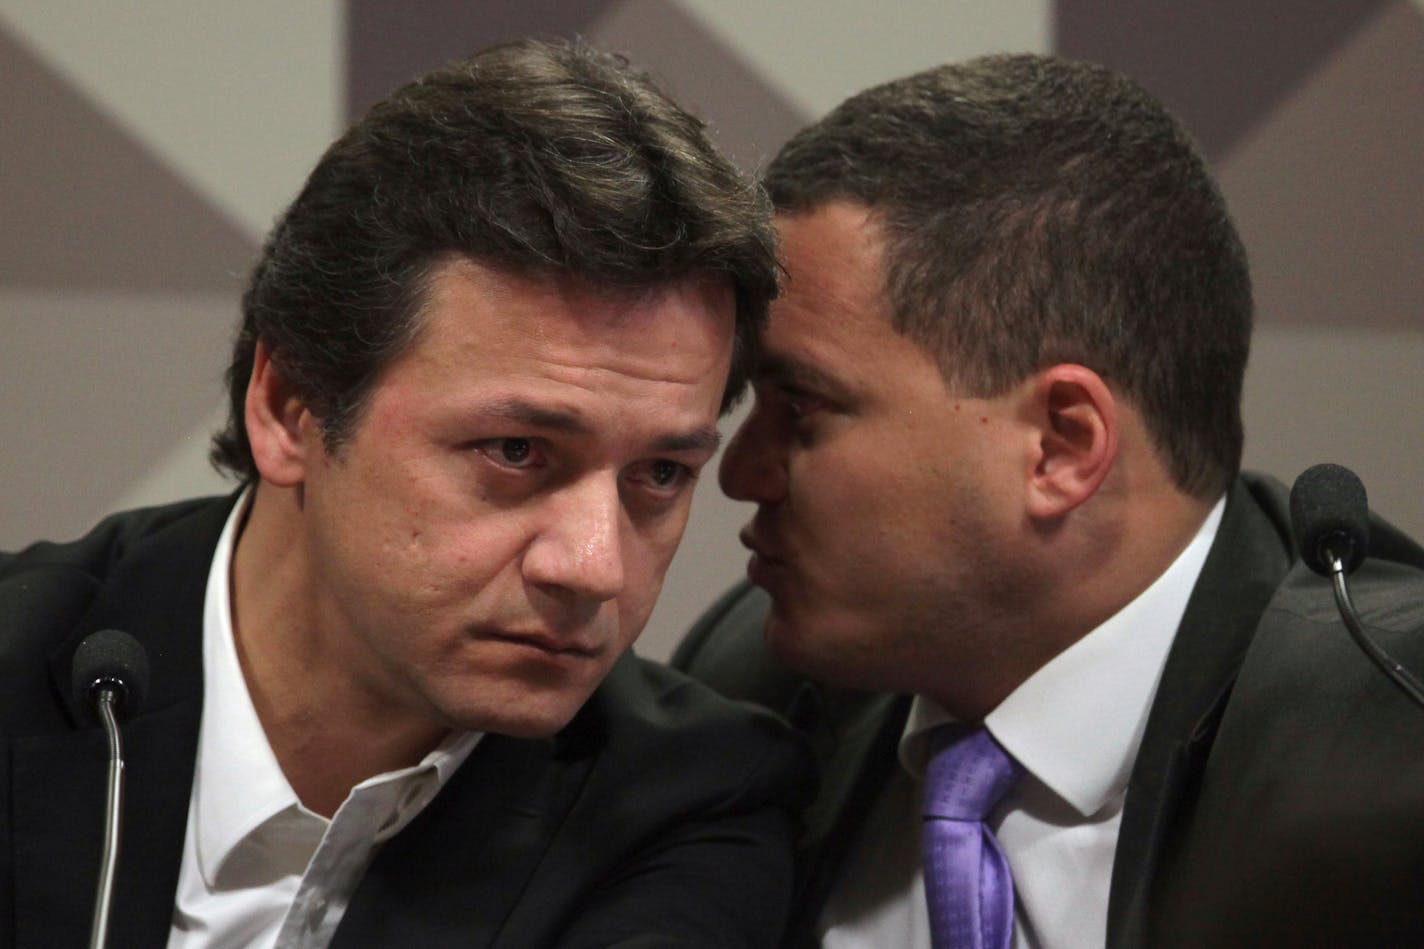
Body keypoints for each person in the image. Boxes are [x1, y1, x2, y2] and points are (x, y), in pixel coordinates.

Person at [0, 38, 810, 948]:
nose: (594, 566)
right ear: (289, 405)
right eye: (516, 450)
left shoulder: (684, 802)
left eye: (660, 474)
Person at [674, 53, 1424, 948]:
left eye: (800, 408)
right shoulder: (749, 683)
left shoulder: (1390, 742)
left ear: (1062, 446)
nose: (737, 472)